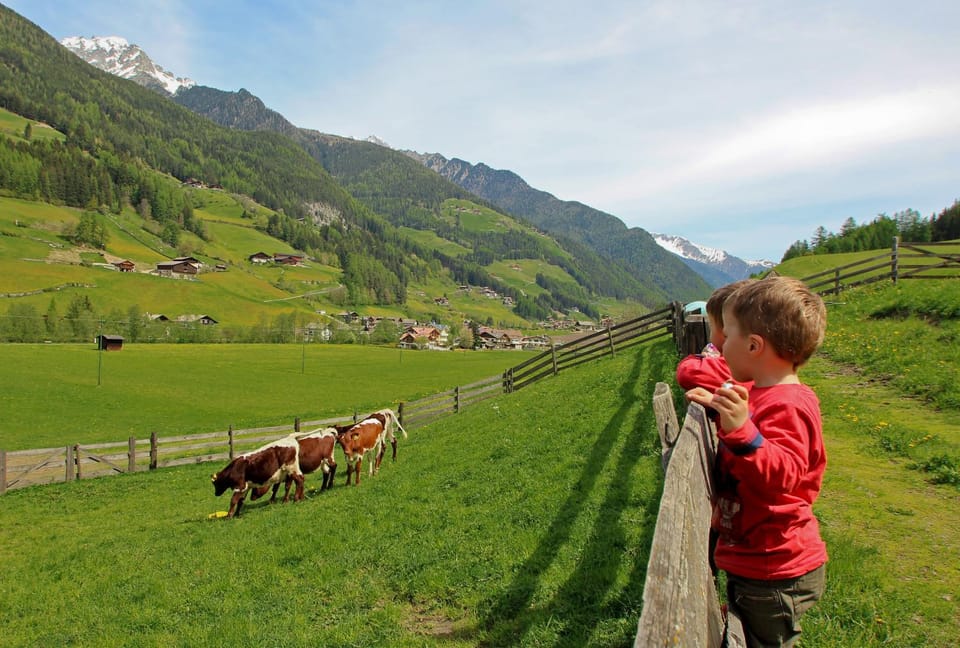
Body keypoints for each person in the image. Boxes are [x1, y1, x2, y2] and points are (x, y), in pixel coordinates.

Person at [685, 276, 828, 648]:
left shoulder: (789, 404)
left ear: (753, 345)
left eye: (727, 334)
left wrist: (741, 430)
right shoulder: (762, 394)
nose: (720, 344)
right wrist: (720, 410)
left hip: (774, 567)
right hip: (757, 559)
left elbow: (784, 474)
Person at [676, 279, 755, 394]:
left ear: (725, 334)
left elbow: (687, 372)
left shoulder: (734, 366)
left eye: (711, 326)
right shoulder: (764, 366)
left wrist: (702, 358)